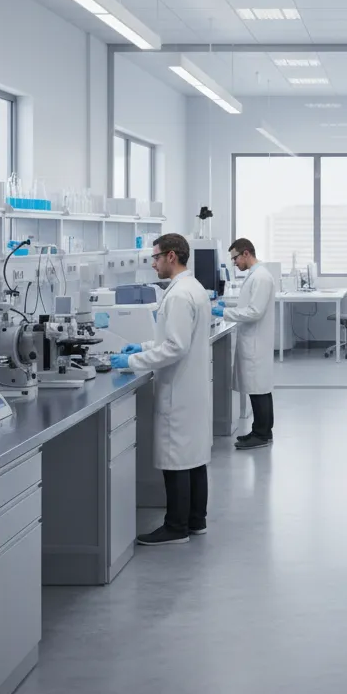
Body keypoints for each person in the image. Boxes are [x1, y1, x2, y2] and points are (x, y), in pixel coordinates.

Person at [110, 232, 212, 547]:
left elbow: (174, 347)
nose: (152, 263)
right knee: (192, 456)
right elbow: (173, 338)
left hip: (178, 388)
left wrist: (132, 360)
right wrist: (140, 345)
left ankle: (176, 527)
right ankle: (196, 520)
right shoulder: (191, 288)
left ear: (170, 256)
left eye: (155, 257)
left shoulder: (180, 295)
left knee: (176, 457)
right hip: (191, 386)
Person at [212, 238, 276, 450]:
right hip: (254, 340)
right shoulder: (256, 276)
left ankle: (261, 434)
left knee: (259, 390)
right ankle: (262, 431)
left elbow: (254, 312)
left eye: (235, 258)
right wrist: (227, 305)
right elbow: (248, 304)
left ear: (246, 253)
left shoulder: (261, 277)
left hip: (256, 342)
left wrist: (224, 312)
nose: (234, 263)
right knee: (259, 389)